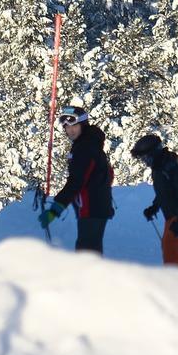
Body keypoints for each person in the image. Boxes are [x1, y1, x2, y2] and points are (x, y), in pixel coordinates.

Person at [38, 106, 114, 254]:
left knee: (86, 254)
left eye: (75, 125)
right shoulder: (90, 143)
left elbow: (77, 181)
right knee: (90, 252)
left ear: (83, 125)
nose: (70, 130)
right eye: (67, 126)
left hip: (92, 208)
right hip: (93, 207)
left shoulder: (85, 147)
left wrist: (56, 208)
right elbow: (107, 173)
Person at [132, 134, 178, 267]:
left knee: (171, 245)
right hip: (175, 211)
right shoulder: (158, 167)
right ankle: (173, 276)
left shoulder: (169, 166)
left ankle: (174, 280)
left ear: (153, 153)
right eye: (142, 159)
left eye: (145, 157)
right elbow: (165, 191)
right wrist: (155, 206)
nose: (144, 162)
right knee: (168, 244)